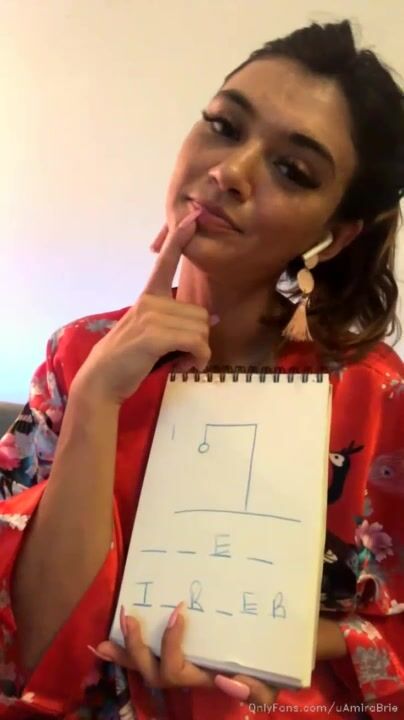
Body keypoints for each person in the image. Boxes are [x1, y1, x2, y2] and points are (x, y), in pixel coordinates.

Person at [0, 18, 403, 720]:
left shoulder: (373, 394)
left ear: (333, 236)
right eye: (223, 125)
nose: (229, 172)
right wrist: (95, 398)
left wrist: (276, 640)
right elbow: (32, 644)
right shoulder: (78, 355)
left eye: (292, 170)